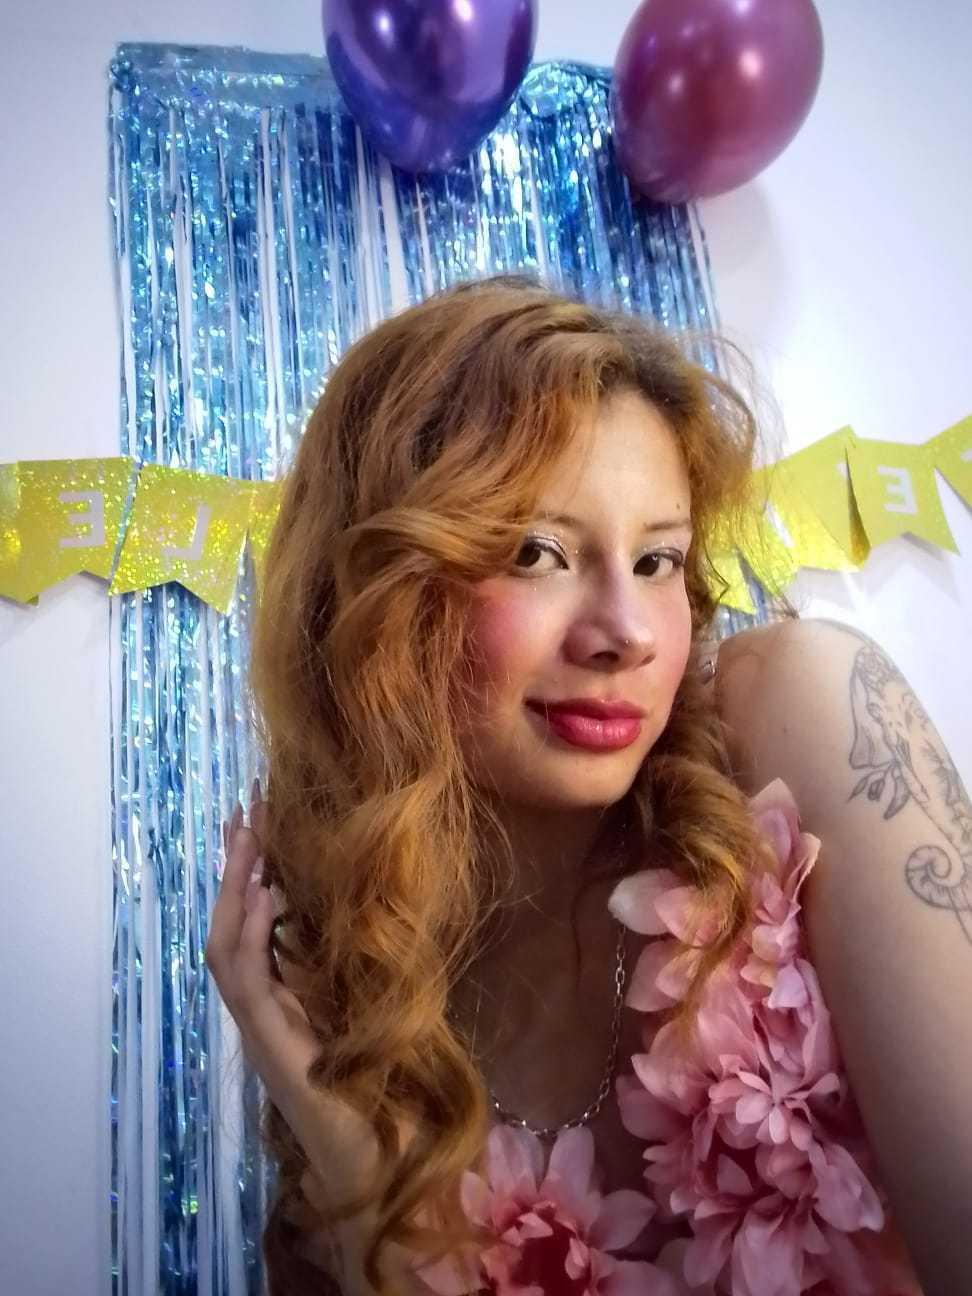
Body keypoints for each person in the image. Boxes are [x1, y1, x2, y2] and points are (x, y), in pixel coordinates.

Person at [205, 276, 971, 1296]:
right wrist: (357, 1179)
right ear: (372, 599)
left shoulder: (804, 710)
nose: (627, 632)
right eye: (537, 552)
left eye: (659, 561)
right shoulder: (349, 1039)